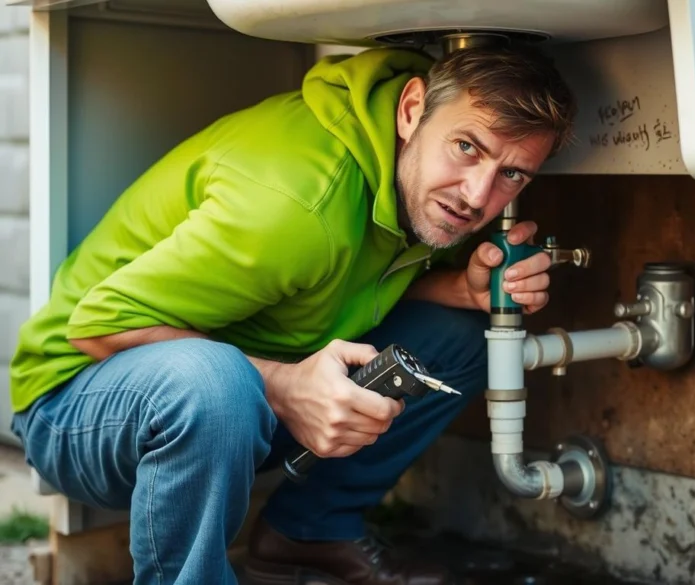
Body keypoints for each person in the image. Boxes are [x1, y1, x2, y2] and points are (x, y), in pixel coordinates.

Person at [7, 42, 576, 585]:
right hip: (77, 405)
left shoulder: (412, 177)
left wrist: (462, 289)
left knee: (465, 334)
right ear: (410, 110)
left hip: (233, 401)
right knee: (216, 382)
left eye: (512, 174)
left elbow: (342, 285)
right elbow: (100, 325)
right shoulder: (295, 206)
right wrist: (282, 384)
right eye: (467, 147)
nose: (477, 195)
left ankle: (308, 533)